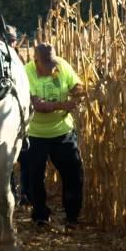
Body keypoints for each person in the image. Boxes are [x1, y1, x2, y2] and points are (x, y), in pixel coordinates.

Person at [24, 42, 86, 228]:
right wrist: (64, 105)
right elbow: (38, 106)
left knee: (74, 173)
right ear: (36, 61)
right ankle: (41, 215)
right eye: (48, 66)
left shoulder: (61, 65)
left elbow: (78, 85)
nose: (53, 70)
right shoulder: (26, 73)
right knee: (35, 177)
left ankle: (72, 216)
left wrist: (77, 91)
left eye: (54, 65)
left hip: (62, 131)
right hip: (35, 134)